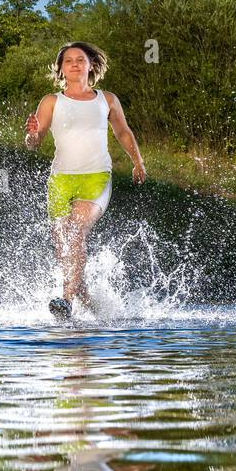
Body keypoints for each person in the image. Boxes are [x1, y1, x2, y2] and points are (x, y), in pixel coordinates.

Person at [24, 41, 145, 321]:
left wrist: (138, 161)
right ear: (61, 69)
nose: (75, 64)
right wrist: (31, 134)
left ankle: (65, 300)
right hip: (60, 181)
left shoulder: (108, 100)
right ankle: (91, 306)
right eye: (69, 61)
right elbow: (35, 142)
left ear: (91, 65)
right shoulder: (51, 101)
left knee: (76, 232)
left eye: (81, 59)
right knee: (63, 248)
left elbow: (123, 132)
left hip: (96, 176)